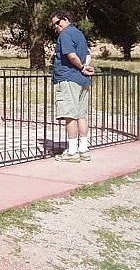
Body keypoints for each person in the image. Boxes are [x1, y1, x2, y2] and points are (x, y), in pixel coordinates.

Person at [50, 10, 95, 163]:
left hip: (69, 78)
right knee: (81, 115)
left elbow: (71, 55)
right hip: (82, 80)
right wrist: (85, 67)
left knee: (70, 115)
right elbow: (88, 55)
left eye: (58, 23)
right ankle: (83, 150)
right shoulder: (79, 34)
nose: (56, 27)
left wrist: (82, 68)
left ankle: (72, 152)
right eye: (54, 25)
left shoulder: (65, 35)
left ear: (66, 20)